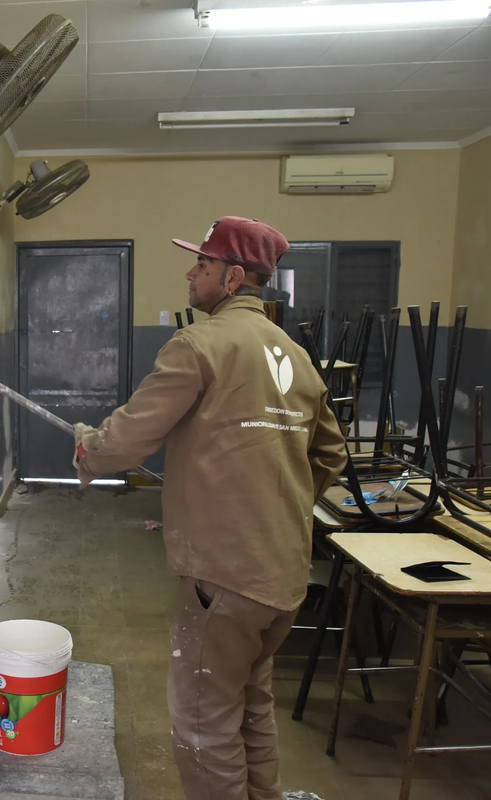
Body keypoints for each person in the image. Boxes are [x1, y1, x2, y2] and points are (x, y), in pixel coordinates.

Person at [72, 216, 348, 800]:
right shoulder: (296, 356)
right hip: (283, 574)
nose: (191, 272)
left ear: (234, 277)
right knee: (249, 702)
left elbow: (124, 442)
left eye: (203, 263)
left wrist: (90, 450)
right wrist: (275, 502)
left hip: (224, 578)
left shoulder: (198, 345)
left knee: (204, 720)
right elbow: (330, 456)